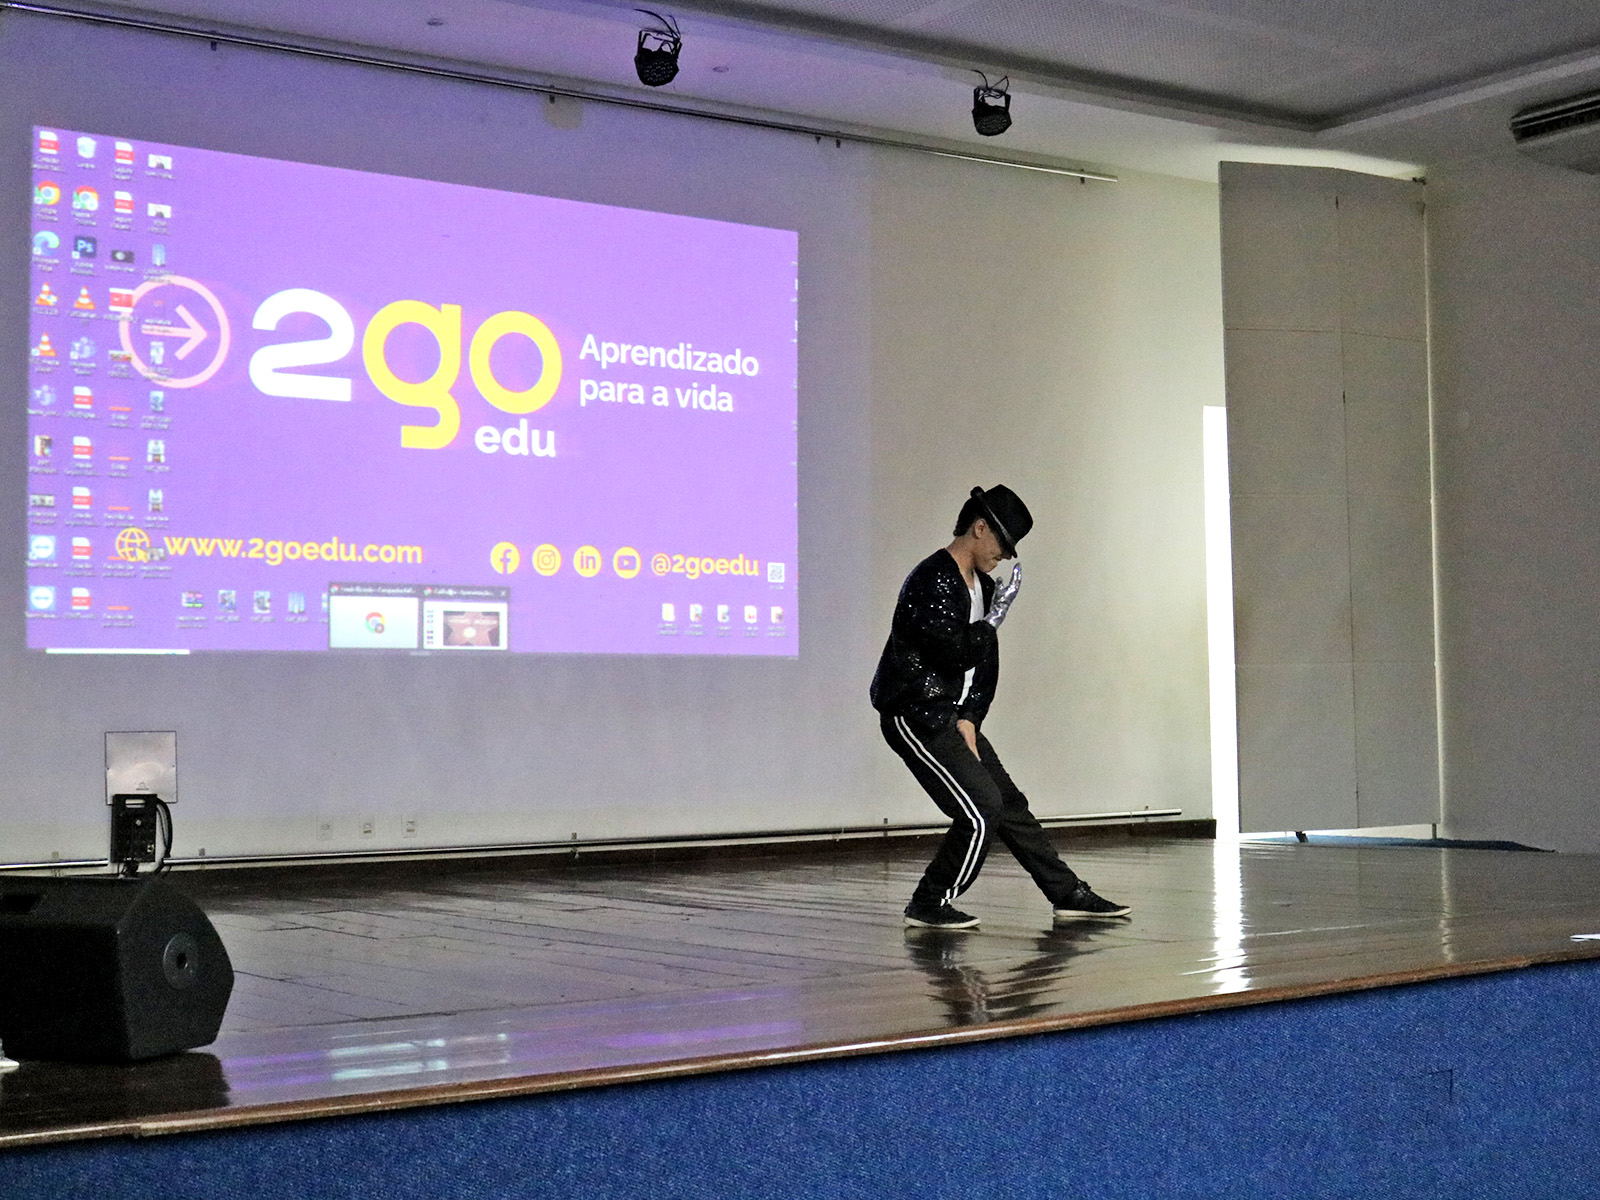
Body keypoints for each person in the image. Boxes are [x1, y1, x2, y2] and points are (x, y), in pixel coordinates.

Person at [870, 485, 1131, 930]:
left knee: (1008, 804)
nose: (1006, 556)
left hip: (950, 715)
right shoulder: (933, 578)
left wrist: (971, 718)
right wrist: (991, 622)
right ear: (979, 528)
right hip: (915, 712)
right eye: (1004, 544)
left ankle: (1067, 893)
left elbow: (984, 667)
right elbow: (953, 653)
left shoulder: (984, 586)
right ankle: (929, 901)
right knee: (980, 810)